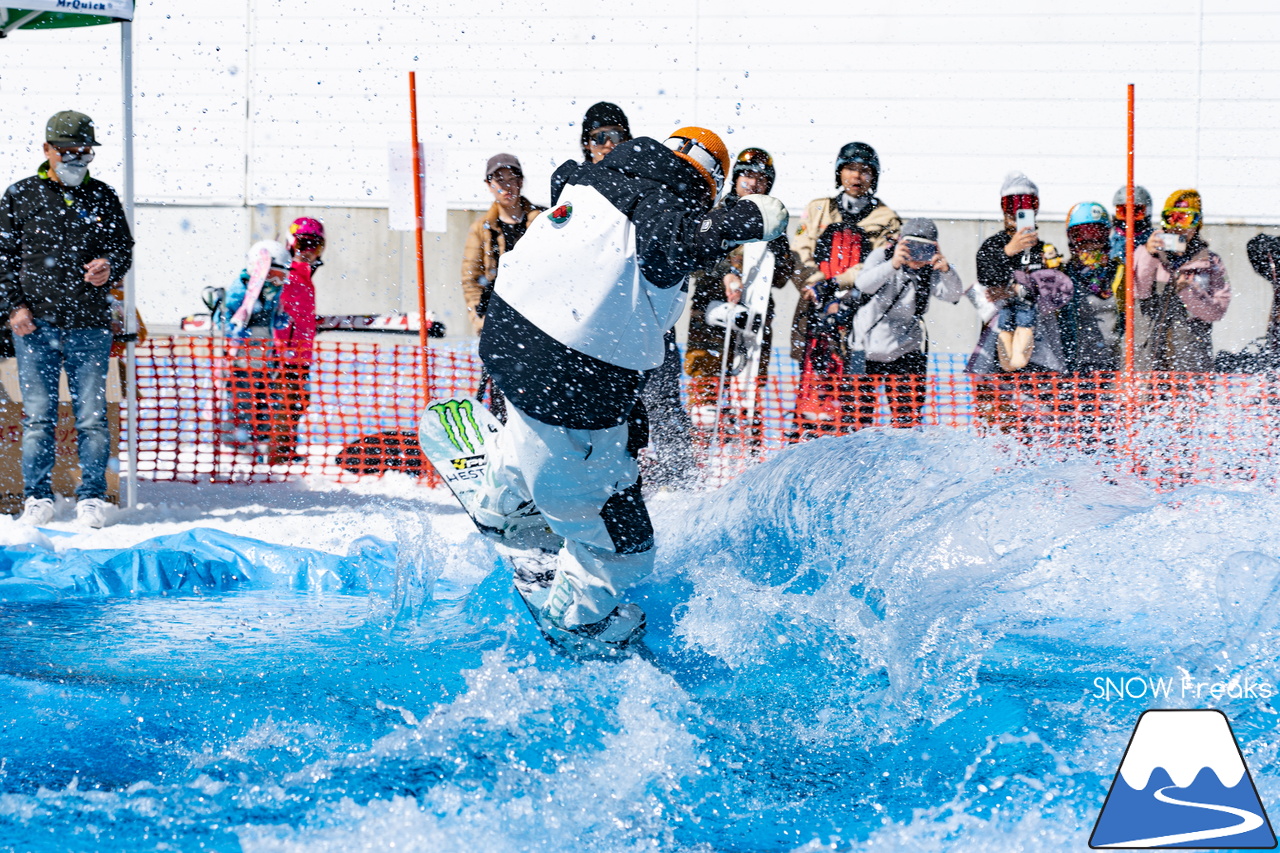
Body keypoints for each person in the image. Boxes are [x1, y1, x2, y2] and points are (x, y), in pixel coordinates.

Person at [475, 126, 787, 645]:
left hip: (509, 336)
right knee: (625, 541)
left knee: (529, 427)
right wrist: (743, 218)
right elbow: (670, 248)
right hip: (573, 370)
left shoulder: (590, 177)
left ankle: (503, 499)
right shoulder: (665, 203)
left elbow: (564, 184)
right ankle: (582, 614)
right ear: (708, 182)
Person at [0, 111, 133, 528]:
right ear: (47, 150)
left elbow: (123, 248)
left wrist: (110, 265)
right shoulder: (20, 196)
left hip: (89, 325)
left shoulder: (104, 196)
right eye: (69, 151)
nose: (77, 159)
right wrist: (14, 308)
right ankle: (37, 496)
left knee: (91, 416)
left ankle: (91, 496)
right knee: (38, 415)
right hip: (35, 327)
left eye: (85, 152)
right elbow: (2, 260)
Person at [555, 102, 695, 486]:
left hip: (644, 314)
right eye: (599, 137)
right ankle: (594, 478)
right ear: (586, 144)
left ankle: (678, 478)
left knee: (662, 401)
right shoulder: (576, 186)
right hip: (595, 319)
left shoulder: (649, 185)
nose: (607, 144)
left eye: (616, 136)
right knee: (596, 408)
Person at [684, 147, 797, 444]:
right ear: (736, 178)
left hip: (753, 323)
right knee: (705, 402)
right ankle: (698, 457)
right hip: (709, 317)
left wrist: (782, 255)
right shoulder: (715, 212)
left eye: (761, 178)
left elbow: (783, 276)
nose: (753, 183)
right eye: (747, 175)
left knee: (746, 398)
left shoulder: (772, 221)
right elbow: (695, 257)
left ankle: (745, 455)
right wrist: (725, 272)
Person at [790, 142, 901, 437]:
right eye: (851, 169)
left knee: (855, 393)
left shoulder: (886, 219)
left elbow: (877, 266)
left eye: (865, 171)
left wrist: (840, 289)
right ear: (840, 173)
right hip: (814, 313)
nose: (856, 177)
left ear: (873, 177)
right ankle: (806, 434)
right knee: (813, 385)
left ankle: (851, 441)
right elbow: (800, 251)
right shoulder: (818, 209)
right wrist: (815, 285)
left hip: (861, 314)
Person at [846, 218, 963, 427]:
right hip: (865, 349)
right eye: (912, 247)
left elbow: (953, 295)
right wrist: (893, 264)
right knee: (858, 420)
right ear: (900, 242)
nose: (917, 256)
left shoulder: (930, 271)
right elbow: (863, 284)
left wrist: (946, 270)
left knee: (907, 420)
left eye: (924, 249)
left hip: (906, 350)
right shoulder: (882, 256)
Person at [461, 154, 545, 421]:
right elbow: (470, 280)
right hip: (499, 323)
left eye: (513, 179)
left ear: (522, 182)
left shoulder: (542, 220)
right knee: (500, 397)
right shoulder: (482, 228)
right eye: (500, 180)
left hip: (538, 322)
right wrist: (480, 320)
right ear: (488, 185)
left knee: (539, 394)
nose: (507, 186)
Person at [967, 172, 1072, 376]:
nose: (1017, 211)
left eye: (1026, 204)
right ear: (1003, 208)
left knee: (1038, 406)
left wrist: (1016, 290)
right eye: (1012, 204)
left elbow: (1056, 293)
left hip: (1039, 350)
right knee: (997, 405)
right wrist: (1008, 251)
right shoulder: (993, 246)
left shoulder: (1043, 250)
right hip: (997, 351)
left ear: (1036, 208)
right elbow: (987, 279)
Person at [1132, 189, 1230, 371]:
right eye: (1171, 217)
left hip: (1190, 360)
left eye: (1185, 218)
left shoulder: (1210, 262)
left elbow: (1217, 312)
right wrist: (1149, 254)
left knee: (1190, 397)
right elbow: (1137, 291)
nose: (1178, 226)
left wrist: (1188, 292)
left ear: (1197, 223)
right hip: (1147, 358)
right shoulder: (1145, 252)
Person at [214, 240, 293, 458]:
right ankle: (234, 441)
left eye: (282, 277)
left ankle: (259, 439)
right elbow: (222, 317)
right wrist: (233, 327)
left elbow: (271, 319)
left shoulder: (271, 294)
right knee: (241, 399)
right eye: (273, 276)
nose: (278, 282)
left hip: (262, 357)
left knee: (263, 400)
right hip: (240, 358)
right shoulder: (240, 289)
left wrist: (279, 320)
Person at [269, 217, 326, 465]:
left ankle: (287, 450)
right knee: (285, 402)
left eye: (316, 246)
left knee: (299, 401)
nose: (309, 252)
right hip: (283, 356)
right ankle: (277, 454)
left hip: (301, 355)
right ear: (291, 244)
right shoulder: (287, 274)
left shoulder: (304, 276)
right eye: (304, 244)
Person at [1060, 202, 1122, 374]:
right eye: (1081, 236)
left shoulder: (1119, 273)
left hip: (1113, 366)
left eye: (1097, 234)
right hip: (1073, 367)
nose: (1090, 243)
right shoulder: (1063, 275)